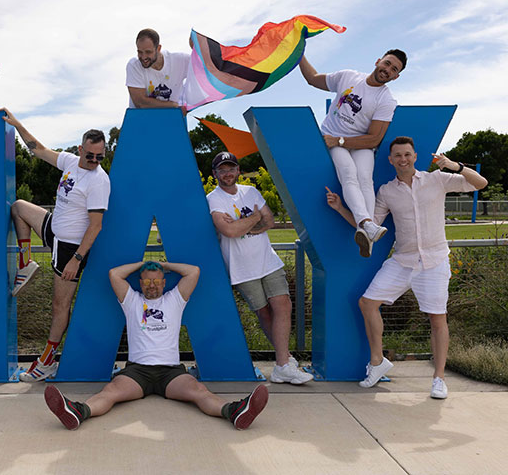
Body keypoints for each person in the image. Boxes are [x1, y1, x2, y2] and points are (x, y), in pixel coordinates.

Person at [326, 136, 487, 398]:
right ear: (390, 160)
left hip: (434, 262)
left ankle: (439, 379)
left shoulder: (437, 179)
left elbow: (480, 183)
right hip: (403, 260)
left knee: (437, 319)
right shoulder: (386, 192)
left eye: (407, 155)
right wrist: (340, 208)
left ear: (415, 156)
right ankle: (377, 363)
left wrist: (453, 165)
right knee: (367, 303)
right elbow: (368, 227)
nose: (403, 159)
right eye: (398, 156)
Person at [44, 260, 269, 430]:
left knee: (199, 391)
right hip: (137, 371)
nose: (152, 286)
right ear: (141, 283)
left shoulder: (175, 300)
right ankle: (78, 411)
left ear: (163, 282)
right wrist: (143, 264)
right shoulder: (132, 301)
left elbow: (193, 271)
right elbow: (115, 274)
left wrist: (162, 264)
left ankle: (234, 411)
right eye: (147, 281)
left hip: (170, 372)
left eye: (156, 281)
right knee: (110, 391)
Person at [2, 108, 111, 382]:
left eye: (100, 156)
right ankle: (26, 263)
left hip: (69, 248)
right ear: (80, 148)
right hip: (53, 229)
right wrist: (16, 124)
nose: (95, 160)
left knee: (59, 306)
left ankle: (47, 361)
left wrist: (76, 259)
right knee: (19, 208)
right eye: (90, 155)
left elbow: (96, 226)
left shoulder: (99, 181)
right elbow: (37, 149)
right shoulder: (71, 162)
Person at [206, 152, 313, 385]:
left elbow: (270, 220)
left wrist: (244, 224)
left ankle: (283, 364)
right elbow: (230, 232)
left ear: (238, 171)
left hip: (267, 260)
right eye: (222, 170)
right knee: (264, 313)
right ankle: (285, 362)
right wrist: (254, 219)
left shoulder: (251, 191)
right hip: (241, 267)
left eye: (231, 168)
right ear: (215, 174)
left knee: (283, 304)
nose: (227, 173)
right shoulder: (213, 198)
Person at [300, 49, 407, 257]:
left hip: (360, 143)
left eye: (394, 69)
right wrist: (299, 55)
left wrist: (340, 140)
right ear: (378, 61)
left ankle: (365, 230)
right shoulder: (348, 76)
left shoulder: (386, 100)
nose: (388, 70)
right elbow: (313, 79)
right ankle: (367, 225)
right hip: (333, 139)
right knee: (348, 172)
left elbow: (374, 139)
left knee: (365, 178)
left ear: (396, 76)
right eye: (387, 64)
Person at [126, 28, 190, 112]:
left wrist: (196, 45)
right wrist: (173, 105)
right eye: (140, 52)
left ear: (158, 48)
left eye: (148, 52)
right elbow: (140, 103)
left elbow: (205, 66)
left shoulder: (180, 60)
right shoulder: (134, 65)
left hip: (171, 117)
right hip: (142, 119)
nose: (143, 57)